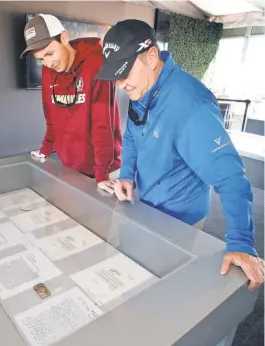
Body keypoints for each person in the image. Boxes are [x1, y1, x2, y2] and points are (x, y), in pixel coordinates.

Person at [95, 19, 264, 291]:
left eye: (125, 73)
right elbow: (131, 134)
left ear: (151, 57)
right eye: (116, 76)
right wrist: (126, 172)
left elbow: (231, 178)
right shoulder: (142, 89)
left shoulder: (190, 105)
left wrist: (241, 243)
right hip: (147, 206)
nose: (120, 84)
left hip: (182, 218)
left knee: (166, 286)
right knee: (140, 274)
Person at [20, 14, 122, 194]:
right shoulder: (48, 70)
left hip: (103, 167)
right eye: (41, 59)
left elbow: (103, 123)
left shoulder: (96, 61)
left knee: (99, 221)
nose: (48, 63)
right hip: (69, 166)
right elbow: (51, 115)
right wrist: (46, 148)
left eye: (50, 53)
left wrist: (102, 174)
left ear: (64, 38)